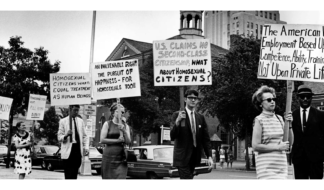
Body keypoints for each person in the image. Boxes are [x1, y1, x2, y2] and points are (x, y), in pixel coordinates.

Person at [171, 89, 213, 180]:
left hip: (194, 157)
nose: (193, 100)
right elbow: (172, 136)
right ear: (185, 99)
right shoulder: (177, 115)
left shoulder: (200, 118)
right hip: (182, 158)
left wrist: (209, 156)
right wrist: (177, 121)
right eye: (190, 98)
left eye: (195, 98)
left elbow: (205, 139)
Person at [252, 85, 290, 180]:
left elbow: (288, 142)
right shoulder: (259, 120)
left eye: (273, 99)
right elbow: (256, 146)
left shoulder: (280, 119)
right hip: (266, 168)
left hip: (281, 167)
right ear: (261, 104)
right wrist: (278, 147)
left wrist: (290, 124)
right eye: (268, 100)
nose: (272, 101)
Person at [287, 85, 324, 180]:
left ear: (311, 98)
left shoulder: (320, 115)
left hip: (316, 159)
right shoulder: (292, 116)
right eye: (302, 97)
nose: (305, 99)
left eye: (308, 97)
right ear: (298, 98)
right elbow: (289, 136)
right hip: (299, 159)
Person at [100, 102, 131, 180]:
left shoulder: (125, 126)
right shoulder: (107, 124)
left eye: (123, 112)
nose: (121, 114)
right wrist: (118, 141)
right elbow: (102, 140)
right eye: (118, 111)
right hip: (108, 157)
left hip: (121, 158)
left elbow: (128, 141)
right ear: (113, 113)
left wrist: (124, 131)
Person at [57, 105, 89, 180]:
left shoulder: (80, 121)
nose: (76, 112)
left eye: (78, 110)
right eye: (75, 110)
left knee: (75, 174)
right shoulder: (63, 121)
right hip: (68, 152)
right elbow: (59, 137)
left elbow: (85, 136)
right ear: (70, 109)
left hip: (77, 151)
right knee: (68, 174)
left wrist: (86, 147)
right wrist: (66, 135)